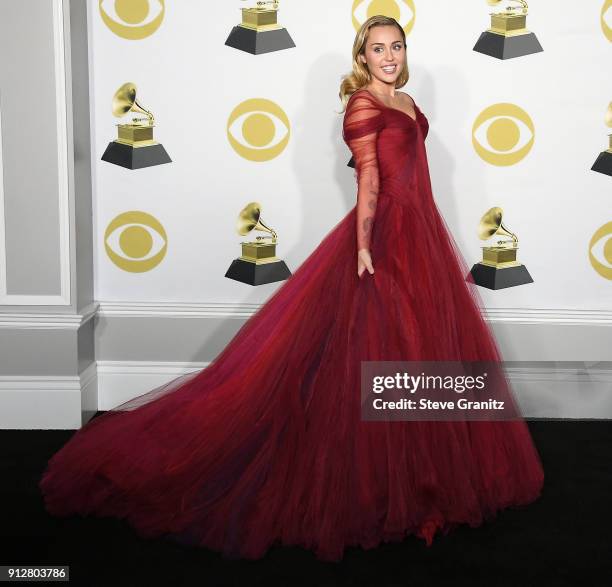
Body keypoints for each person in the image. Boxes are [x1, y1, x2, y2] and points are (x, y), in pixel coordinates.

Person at [39, 15, 544, 563]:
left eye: (396, 46)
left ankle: (430, 481)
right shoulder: (363, 106)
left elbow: (415, 169)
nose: (390, 56)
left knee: (422, 347)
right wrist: (364, 245)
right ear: (363, 57)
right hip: (386, 236)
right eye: (379, 49)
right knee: (382, 346)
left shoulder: (406, 102)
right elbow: (369, 179)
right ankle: (381, 484)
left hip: (423, 229)